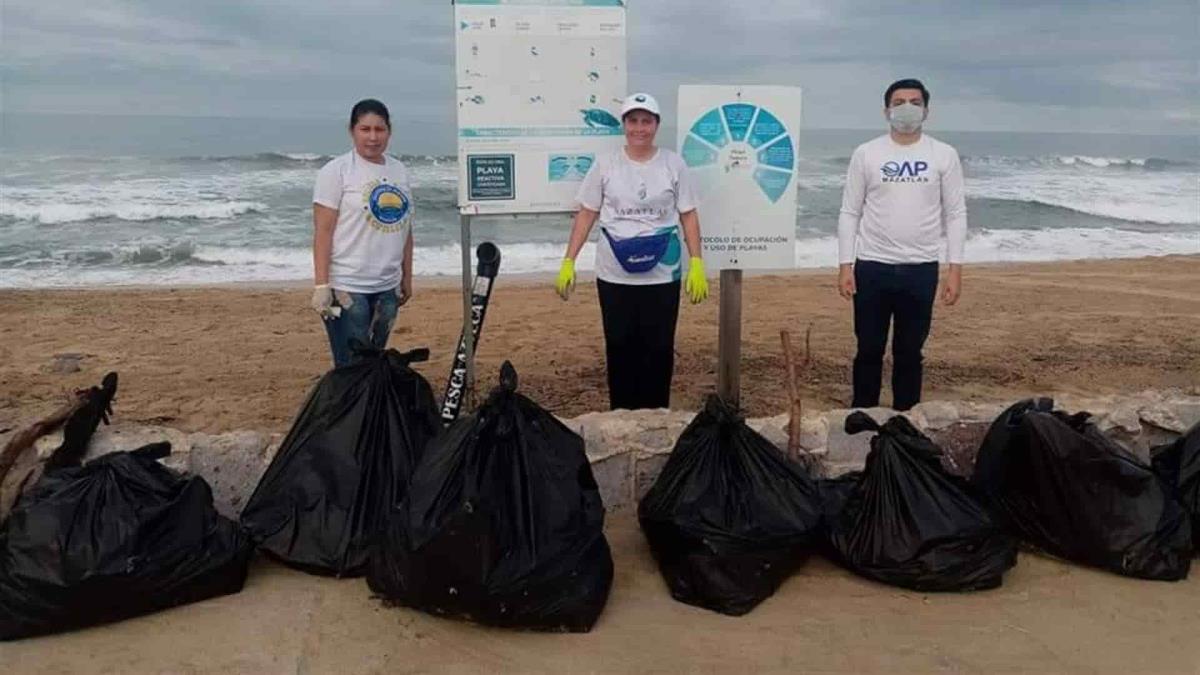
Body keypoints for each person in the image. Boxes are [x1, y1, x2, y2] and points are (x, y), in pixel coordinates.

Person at [555, 92, 709, 410]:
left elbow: (688, 214)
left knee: (659, 348)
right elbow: (587, 213)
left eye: (647, 121)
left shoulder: (673, 163)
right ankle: (621, 415)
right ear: (624, 125)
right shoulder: (605, 164)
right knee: (620, 347)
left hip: (662, 274)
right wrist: (569, 260)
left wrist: (696, 261)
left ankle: (656, 415)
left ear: (656, 125)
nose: (640, 128)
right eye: (633, 121)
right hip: (614, 274)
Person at [836, 78, 967, 411]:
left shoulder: (943, 155)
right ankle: (863, 415)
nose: (906, 108)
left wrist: (955, 270)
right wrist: (844, 265)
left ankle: (906, 419)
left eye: (914, 101)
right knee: (868, 349)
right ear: (886, 111)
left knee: (910, 352)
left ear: (926, 110)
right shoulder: (867, 153)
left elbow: (955, 214)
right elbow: (850, 211)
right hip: (872, 267)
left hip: (921, 270)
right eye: (898, 102)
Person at [310, 99, 415, 367]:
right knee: (351, 367)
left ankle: (370, 410)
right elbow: (323, 231)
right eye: (365, 129)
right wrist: (322, 285)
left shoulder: (398, 170)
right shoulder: (336, 172)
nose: (372, 137)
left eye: (379, 130)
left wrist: (406, 276)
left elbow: (405, 227)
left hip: (386, 288)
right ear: (352, 131)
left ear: (389, 131)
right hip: (347, 287)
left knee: (374, 363)